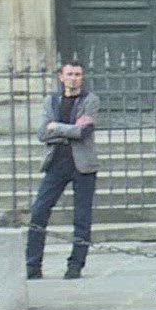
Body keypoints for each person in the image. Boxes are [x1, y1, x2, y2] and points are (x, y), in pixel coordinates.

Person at [26, 59, 98, 280]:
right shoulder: (51, 101)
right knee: (39, 210)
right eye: (70, 74)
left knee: (82, 217)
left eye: (78, 74)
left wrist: (56, 127)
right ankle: (32, 264)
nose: (74, 79)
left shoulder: (90, 100)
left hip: (83, 165)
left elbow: (83, 132)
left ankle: (75, 265)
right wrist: (70, 129)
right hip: (56, 162)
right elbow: (42, 133)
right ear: (61, 77)